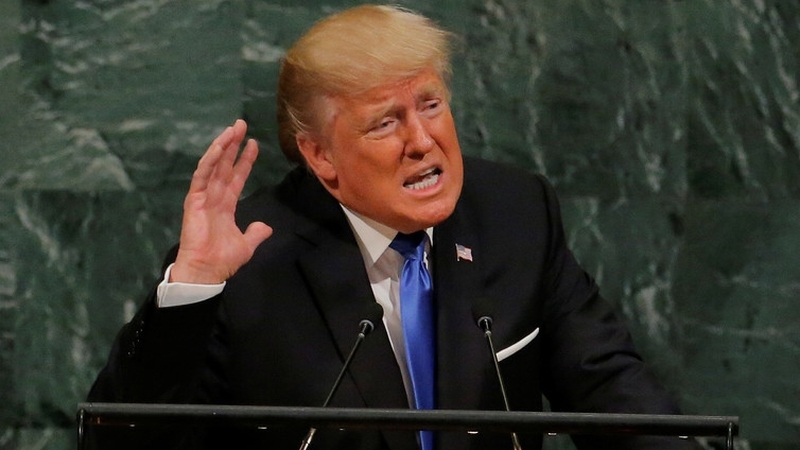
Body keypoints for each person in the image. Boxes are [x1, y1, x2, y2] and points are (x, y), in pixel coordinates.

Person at [87, 5, 699, 450]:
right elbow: (120, 441)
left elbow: (611, 388)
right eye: (385, 123)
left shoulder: (514, 213)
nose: (422, 141)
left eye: (430, 105)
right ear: (321, 156)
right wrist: (194, 285)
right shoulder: (248, 262)